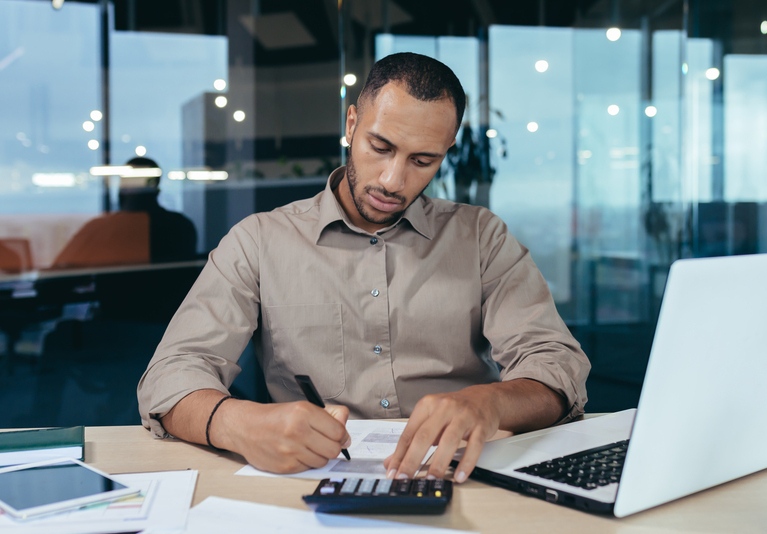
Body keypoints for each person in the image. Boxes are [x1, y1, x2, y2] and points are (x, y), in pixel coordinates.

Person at [137, 52, 590, 484]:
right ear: (352, 124)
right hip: (308, 478)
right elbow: (172, 373)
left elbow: (556, 366)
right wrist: (239, 424)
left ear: (447, 151)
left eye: (422, 160)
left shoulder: (481, 238)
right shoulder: (259, 240)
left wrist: (490, 403)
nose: (394, 181)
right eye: (381, 146)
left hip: (462, 476)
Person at [51, 157, 197, 268]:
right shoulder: (181, 226)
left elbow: (53, 280)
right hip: (176, 308)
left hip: (116, 307)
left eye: (126, 183)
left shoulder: (102, 228)